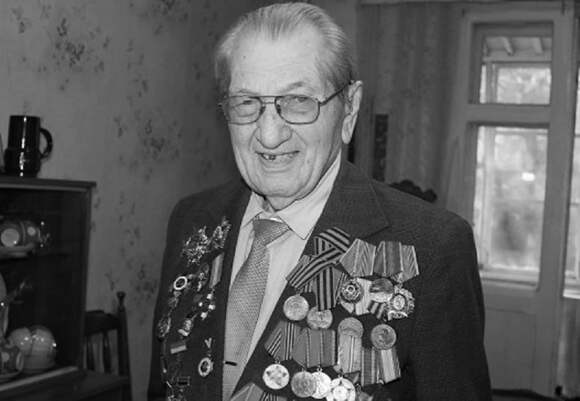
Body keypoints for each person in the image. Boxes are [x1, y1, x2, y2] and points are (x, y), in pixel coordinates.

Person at [148, 3, 492, 400]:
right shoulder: (192, 220)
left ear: (349, 109)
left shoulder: (433, 248)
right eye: (246, 102)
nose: (269, 135)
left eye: (298, 101)